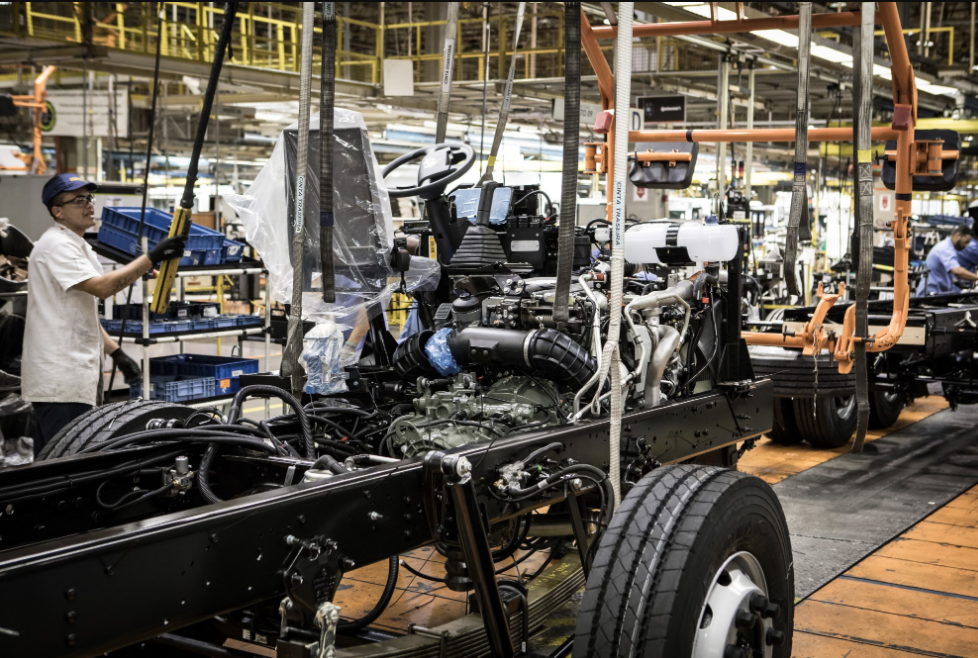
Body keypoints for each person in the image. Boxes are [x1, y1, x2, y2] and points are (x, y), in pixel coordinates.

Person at [22, 174, 185, 455]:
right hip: (60, 379)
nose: (88, 205)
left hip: (74, 375)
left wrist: (116, 353)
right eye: (78, 200)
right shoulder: (56, 246)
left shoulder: (80, 246)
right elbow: (103, 288)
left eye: (89, 198)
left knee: (51, 458)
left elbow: (81, 311)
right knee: (64, 463)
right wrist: (150, 257)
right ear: (57, 210)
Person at [917, 225, 978, 296]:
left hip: (938, 293)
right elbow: (956, 271)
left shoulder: (949, 248)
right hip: (930, 294)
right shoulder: (945, 248)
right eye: (966, 242)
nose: (966, 246)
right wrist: (976, 277)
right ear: (958, 236)